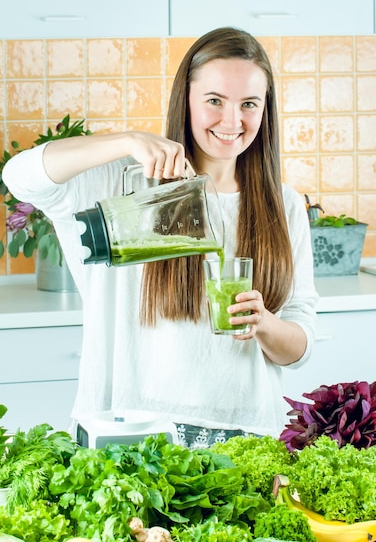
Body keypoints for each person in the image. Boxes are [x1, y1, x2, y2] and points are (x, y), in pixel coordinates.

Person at [3, 26, 318, 448]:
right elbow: (20, 177)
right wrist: (127, 140)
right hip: (130, 432)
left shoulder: (283, 204)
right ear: (185, 100)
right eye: (214, 101)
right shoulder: (125, 184)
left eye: (248, 104)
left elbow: (298, 347)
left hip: (246, 438)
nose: (232, 120)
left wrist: (264, 323)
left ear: (265, 110)